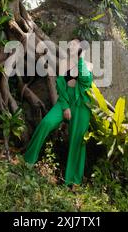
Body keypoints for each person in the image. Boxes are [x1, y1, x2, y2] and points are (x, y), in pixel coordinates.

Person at [23, 39, 93, 187]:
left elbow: (85, 80)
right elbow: (60, 85)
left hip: (81, 106)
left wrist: (80, 59)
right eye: (70, 44)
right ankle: (28, 160)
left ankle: (73, 180)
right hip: (65, 102)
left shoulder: (88, 65)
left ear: (81, 47)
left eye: (75, 44)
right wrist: (65, 106)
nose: (71, 46)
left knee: (78, 141)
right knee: (46, 123)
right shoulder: (64, 63)